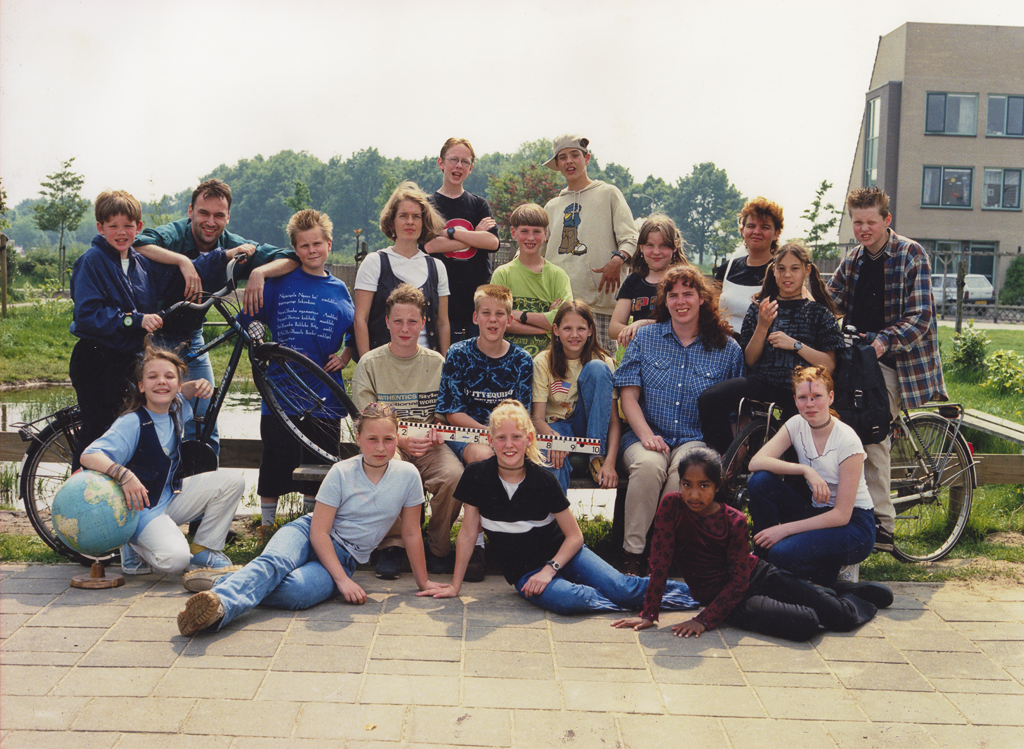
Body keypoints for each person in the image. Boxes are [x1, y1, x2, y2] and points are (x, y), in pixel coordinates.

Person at [176, 403, 444, 636]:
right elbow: (318, 532)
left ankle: (233, 578)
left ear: (397, 438)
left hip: (344, 557)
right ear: (358, 438)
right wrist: (342, 582)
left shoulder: (408, 476)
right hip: (308, 533)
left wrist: (424, 582)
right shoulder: (341, 473)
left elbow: (410, 533)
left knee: (298, 593)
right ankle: (219, 608)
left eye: (388, 439)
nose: (380, 447)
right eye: (372, 439)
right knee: (277, 562)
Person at [420, 400, 697, 616]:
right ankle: (627, 602)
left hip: (565, 554)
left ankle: (701, 593)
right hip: (525, 572)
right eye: (501, 438)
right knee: (569, 601)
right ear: (490, 441)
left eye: (516, 437)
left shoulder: (543, 479)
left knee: (622, 587)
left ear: (529, 439)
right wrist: (455, 586)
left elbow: (575, 536)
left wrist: (550, 569)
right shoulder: (477, 475)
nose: (508, 445)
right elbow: (468, 533)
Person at [611, 448, 886, 642]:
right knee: (807, 624)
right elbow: (660, 561)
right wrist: (649, 614)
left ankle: (847, 594)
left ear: (718, 486)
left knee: (840, 618)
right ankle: (825, 593)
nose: (694, 494)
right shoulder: (672, 505)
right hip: (733, 601)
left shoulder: (734, 520)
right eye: (687, 485)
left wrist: (702, 620)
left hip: (755, 577)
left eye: (704, 485)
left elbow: (741, 579)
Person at [134, 179, 300, 453]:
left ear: (228, 217)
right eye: (204, 213)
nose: (210, 222)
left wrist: (259, 272)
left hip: (192, 337)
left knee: (205, 417)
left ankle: (208, 488)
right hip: (153, 336)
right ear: (190, 211)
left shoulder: (233, 244)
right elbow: (139, 243)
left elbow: (289, 257)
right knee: (150, 416)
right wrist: (182, 261)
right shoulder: (173, 235)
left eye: (218, 215)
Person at [827, 186, 947, 552]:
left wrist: (883, 341)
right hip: (857, 360)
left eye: (871, 222)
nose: (864, 229)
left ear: (886, 220)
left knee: (870, 430)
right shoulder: (854, 259)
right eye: (857, 222)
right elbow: (830, 299)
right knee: (837, 427)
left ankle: (883, 526)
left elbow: (922, 316)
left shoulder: (911, 254)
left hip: (897, 362)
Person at [614, 265, 744, 575]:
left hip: (696, 438)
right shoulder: (645, 338)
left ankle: (663, 552)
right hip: (646, 434)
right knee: (648, 466)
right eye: (673, 295)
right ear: (665, 301)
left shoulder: (728, 348)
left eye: (688, 293)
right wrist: (645, 435)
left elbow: (737, 411)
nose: (681, 301)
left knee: (684, 473)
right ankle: (633, 553)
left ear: (702, 299)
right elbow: (628, 397)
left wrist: (737, 453)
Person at [80, 342, 244, 578]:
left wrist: (198, 384)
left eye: (169, 377)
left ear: (177, 385)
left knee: (232, 481)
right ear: (141, 386)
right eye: (152, 377)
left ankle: (202, 551)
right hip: (140, 510)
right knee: (175, 561)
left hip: (170, 498)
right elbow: (89, 455)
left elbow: (184, 391)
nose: (161, 382)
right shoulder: (132, 422)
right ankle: (132, 543)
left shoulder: (177, 409)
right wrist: (124, 475)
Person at [242, 210, 355, 534]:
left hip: (325, 394)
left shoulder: (340, 290)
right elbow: (247, 318)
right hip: (280, 391)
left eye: (317, 243)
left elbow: (354, 331)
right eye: (303, 246)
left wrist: (347, 354)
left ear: (329, 244)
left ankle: (310, 525)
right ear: (295, 249)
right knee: (275, 459)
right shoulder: (278, 283)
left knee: (320, 467)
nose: (312, 251)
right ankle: (266, 525)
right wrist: (259, 340)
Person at [352, 284, 464, 578]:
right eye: (398, 321)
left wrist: (438, 430)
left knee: (454, 476)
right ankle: (392, 545)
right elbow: (366, 421)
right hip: (388, 443)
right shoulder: (370, 364)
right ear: (387, 322)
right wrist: (399, 439)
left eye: (412, 321)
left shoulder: (437, 362)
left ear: (423, 323)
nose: (405, 328)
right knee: (390, 469)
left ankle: (437, 547)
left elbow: (444, 413)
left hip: (429, 445)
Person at [698, 241, 843, 456]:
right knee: (709, 399)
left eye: (794, 269)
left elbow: (829, 365)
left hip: (800, 390)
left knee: (795, 448)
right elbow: (750, 360)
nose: (787, 275)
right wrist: (762, 325)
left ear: (807, 270)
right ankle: (727, 461)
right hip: (764, 381)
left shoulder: (818, 312)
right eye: (781, 268)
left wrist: (794, 345)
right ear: (773, 270)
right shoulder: (760, 307)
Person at [436, 284, 534, 580]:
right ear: (476, 317)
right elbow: (452, 411)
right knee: (482, 460)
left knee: (513, 459)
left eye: (500, 314)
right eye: (486, 313)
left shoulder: (521, 360)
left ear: (509, 320)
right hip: (467, 433)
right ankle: (476, 544)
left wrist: (502, 439)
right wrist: (487, 435)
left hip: (506, 435)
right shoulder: (458, 353)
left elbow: (521, 414)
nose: (493, 320)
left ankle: (516, 541)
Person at [746, 366, 878, 587]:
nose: (809, 404)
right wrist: (806, 470)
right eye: (803, 397)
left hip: (854, 526)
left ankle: (836, 583)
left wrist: (782, 530)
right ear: (795, 399)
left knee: (781, 554)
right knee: (760, 481)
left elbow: (841, 515)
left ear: (830, 397)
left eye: (817, 396)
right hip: (818, 512)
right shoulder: (797, 424)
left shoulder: (847, 440)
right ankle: (763, 562)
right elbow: (755, 463)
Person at [69, 190, 165, 468]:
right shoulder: (92, 261)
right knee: (97, 432)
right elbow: (87, 314)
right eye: (113, 226)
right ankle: (76, 502)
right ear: (100, 227)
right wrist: (134, 319)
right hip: (95, 359)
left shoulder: (140, 264)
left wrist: (220, 259)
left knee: (123, 432)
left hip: (126, 360)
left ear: (139, 228)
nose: (121, 232)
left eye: (128, 226)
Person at [542, 135, 638, 353]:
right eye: (562, 157)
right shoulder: (552, 207)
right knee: (560, 374)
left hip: (600, 307)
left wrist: (618, 259)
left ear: (587, 158)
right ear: (557, 165)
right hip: (560, 307)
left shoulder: (608, 194)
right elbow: (535, 253)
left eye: (575, 155)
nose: (569, 162)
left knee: (600, 370)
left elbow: (631, 238)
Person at [354, 181, 450, 358]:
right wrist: (367, 365)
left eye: (416, 216)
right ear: (391, 223)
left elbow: (442, 322)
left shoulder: (437, 267)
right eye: (403, 216)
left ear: (424, 222)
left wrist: (445, 367)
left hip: (427, 366)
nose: (410, 222)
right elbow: (360, 319)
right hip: (384, 364)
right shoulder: (374, 263)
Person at [532, 300, 620, 492]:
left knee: (597, 368)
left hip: (589, 425)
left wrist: (610, 462)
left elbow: (612, 420)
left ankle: (595, 456)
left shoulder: (603, 360)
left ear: (590, 330)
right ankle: (553, 518)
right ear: (556, 330)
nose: (574, 335)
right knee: (551, 455)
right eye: (567, 328)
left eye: (581, 328)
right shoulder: (543, 361)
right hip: (556, 427)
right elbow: (537, 418)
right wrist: (552, 439)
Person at [422, 138, 500, 344]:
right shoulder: (429, 205)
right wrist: (474, 236)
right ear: (441, 163)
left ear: (471, 168)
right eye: (453, 160)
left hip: (477, 300)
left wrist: (450, 232)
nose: (459, 166)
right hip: (442, 298)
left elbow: (492, 242)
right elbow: (430, 246)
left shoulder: (479, 205)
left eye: (465, 162)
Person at [491, 203, 573, 357]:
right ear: (514, 233)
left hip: (549, 359)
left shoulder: (558, 276)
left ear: (545, 234)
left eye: (536, 231)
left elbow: (565, 320)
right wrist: (544, 326)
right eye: (524, 231)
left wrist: (519, 316)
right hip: (510, 359)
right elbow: (498, 320)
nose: (530, 238)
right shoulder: (502, 274)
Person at [608, 214, 688, 351]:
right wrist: (635, 329)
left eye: (663, 245)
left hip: (676, 353)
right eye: (650, 245)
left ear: (674, 246)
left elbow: (686, 326)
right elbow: (614, 328)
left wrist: (642, 324)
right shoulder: (633, 281)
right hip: (642, 353)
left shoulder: (684, 280)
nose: (656, 252)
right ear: (641, 248)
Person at [714, 197, 784, 334]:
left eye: (765, 227)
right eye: (751, 226)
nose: (757, 232)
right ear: (743, 231)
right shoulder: (727, 269)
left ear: (776, 234)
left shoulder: (781, 272)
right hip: (722, 347)